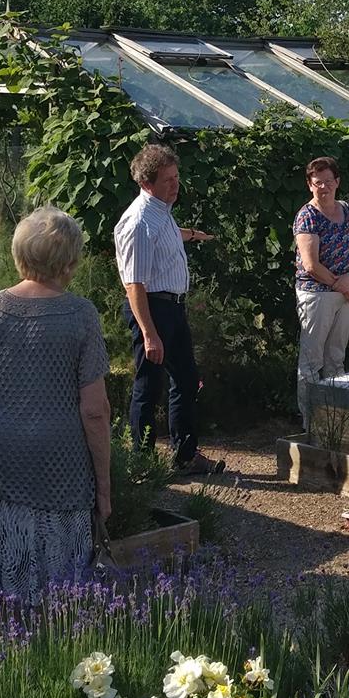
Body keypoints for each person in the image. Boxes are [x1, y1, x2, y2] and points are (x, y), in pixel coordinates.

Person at [0, 207, 113, 601]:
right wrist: (104, 489)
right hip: (56, 462)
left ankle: (0, 647)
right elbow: (95, 410)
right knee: (57, 594)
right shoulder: (81, 315)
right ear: (70, 262)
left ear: (18, 254)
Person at [114, 144, 225, 476]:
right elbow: (134, 284)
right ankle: (141, 463)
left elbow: (166, 234)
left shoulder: (159, 211)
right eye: (168, 180)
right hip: (152, 310)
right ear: (147, 183)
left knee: (187, 381)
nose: (176, 185)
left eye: (177, 178)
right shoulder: (138, 222)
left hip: (172, 309)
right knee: (148, 386)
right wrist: (149, 333)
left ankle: (185, 455)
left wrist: (190, 235)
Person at [293, 156, 349, 430]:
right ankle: (311, 421)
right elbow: (311, 264)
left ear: (337, 182)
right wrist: (346, 286)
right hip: (317, 295)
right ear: (309, 185)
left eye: (328, 181)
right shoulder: (307, 216)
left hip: (347, 293)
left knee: (336, 358)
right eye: (317, 183)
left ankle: (337, 419)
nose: (323, 187)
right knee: (312, 360)